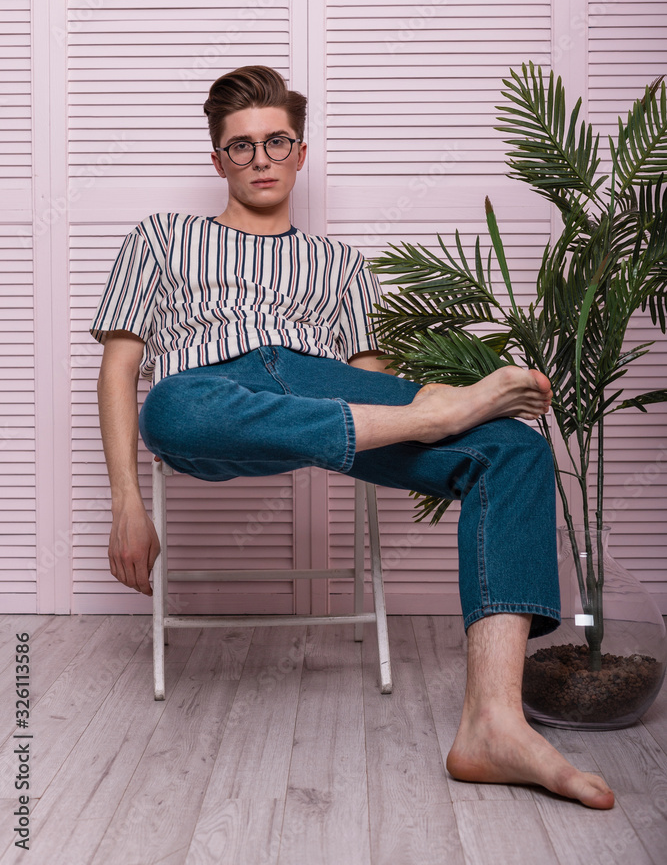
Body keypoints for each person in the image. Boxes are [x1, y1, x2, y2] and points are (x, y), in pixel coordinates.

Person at [91, 65, 614, 810]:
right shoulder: (160, 238)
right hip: (211, 393)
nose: (261, 158)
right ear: (217, 160)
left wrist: (407, 416)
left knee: (514, 447)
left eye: (277, 141)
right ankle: (439, 410)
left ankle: (491, 724)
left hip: (319, 386)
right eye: (241, 147)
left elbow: (367, 378)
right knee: (168, 407)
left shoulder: (341, 265)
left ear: (300, 152)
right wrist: (127, 504)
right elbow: (120, 372)